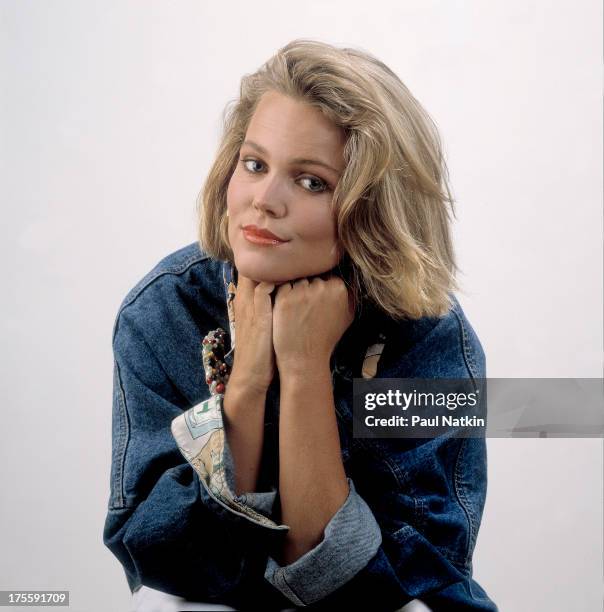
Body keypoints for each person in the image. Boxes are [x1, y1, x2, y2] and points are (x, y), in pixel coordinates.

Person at [103, 39, 498, 611]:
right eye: (254, 164)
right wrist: (248, 379)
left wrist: (306, 367)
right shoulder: (164, 310)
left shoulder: (433, 337)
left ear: (374, 210)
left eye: (312, 182)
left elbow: (391, 589)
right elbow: (169, 559)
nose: (264, 200)